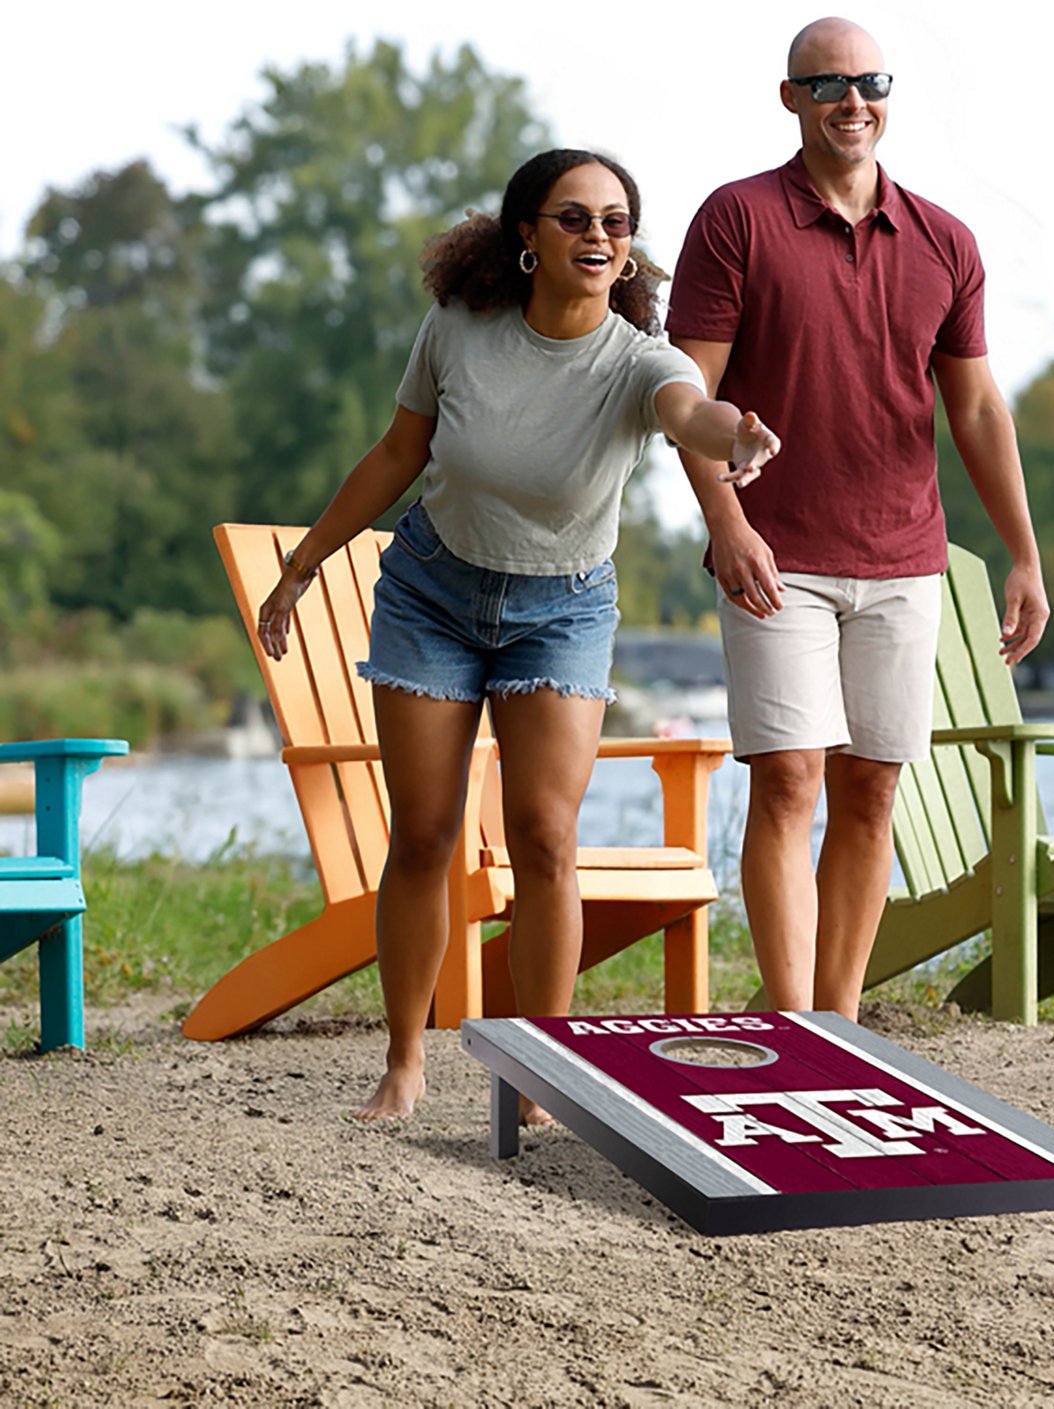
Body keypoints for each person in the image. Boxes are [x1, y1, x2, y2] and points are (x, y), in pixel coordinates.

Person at [255, 148, 781, 1122]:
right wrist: (308, 559)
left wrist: (734, 438)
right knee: (423, 833)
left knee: (545, 836)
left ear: (628, 252)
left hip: (563, 610)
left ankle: (543, 1072)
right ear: (528, 237)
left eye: (615, 223)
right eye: (574, 217)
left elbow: (689, 414)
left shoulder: (639, 360)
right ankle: (406, 1061)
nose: (597, 235)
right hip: (432, 596)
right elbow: (398, 453)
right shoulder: (460, 329)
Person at [666, 18, 1049, 1021]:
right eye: (828, 84)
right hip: (775, 556)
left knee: (872, 790)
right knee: (790, 779)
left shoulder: (945, 241)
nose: (853, 100)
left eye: (870, 81)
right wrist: (727, 521)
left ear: (889, 94)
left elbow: (975, 408)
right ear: (789, 98)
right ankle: (791, 1020)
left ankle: (835, 1020)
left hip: (904, 558)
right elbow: (682, 397)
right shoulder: (734, 221)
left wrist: (1023, 553)